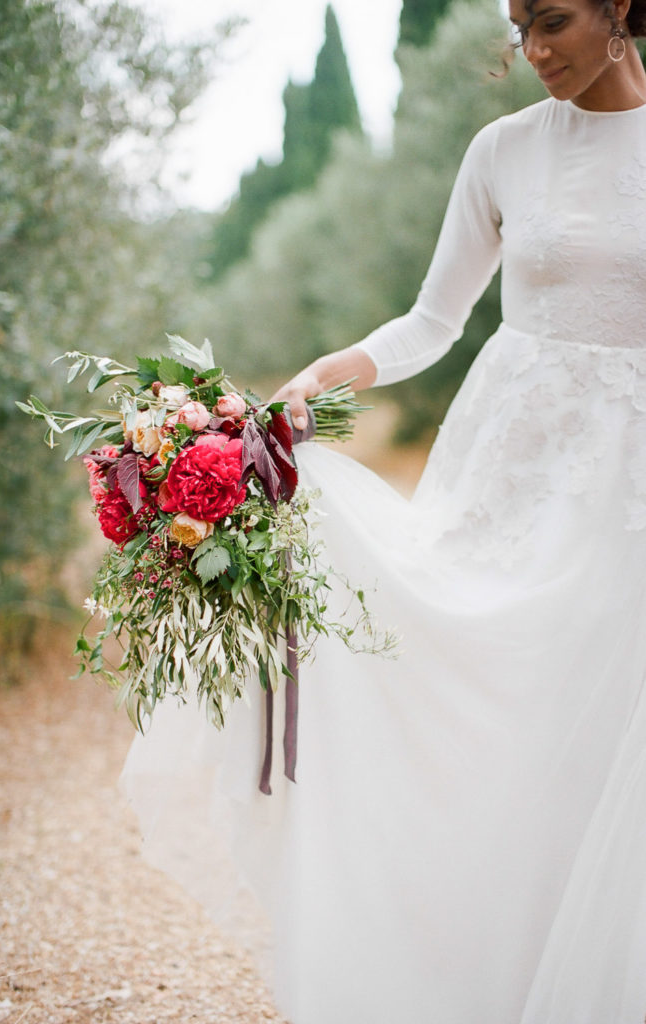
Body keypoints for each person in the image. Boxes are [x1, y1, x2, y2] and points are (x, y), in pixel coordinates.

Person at [121, 1, 646, 1021]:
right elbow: (432, 320)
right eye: (519, 28)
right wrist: (325, 373)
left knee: (599, 732)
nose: (534, 50)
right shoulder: (502, 151)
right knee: (491, 709)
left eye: (553, 21)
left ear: (618, 6)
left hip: (625, 491)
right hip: (512, 474)